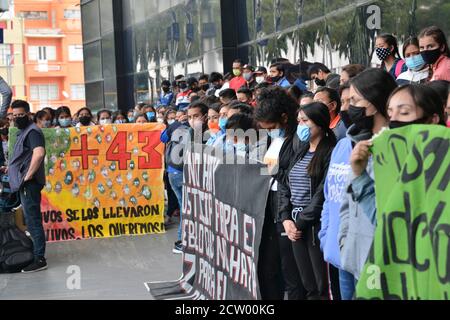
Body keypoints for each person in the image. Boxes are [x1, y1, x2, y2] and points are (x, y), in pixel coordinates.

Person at [338, 68, 397, 291]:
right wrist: (345, 241)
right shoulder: (357, 142)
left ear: (373, 103)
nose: (349, 107)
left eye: (354, 100)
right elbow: (347, 201)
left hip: (382, 266)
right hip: (354, 259)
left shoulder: (396, 148)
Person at [278, 102, 337, 300]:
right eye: (299, 121)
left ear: (319, 123)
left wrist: (300, 223)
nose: (301, 125)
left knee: (322, 286)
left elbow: (323, 193)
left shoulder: (330, 152)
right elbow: (285, 184)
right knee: (308, 284)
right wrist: (286, 217)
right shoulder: (300, 150)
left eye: (305, 121)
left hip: (314, 226)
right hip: (294, 223)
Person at [255, 87, 305, 300]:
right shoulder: (274, 139)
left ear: (284, 117)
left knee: (291, 271)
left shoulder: (297, 139)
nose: (269, 131)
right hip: (270, 205)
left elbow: (292, 177)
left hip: (289, 208)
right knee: (268, 267)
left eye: (272, 127)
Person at [318, 82, 354, 300]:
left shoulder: (384, 147)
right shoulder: (342, 146)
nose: (348, 107)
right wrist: (326, 236)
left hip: (368, 258)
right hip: (339, 252)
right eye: (346, 102)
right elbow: (328, 196)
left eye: (355, 101)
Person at [8, 100, 47, 272]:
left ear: (29, 114)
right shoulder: (23, 132)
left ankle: (39, 259)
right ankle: (35, 253)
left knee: (32, 221)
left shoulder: (32, 132)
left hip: (29, 184)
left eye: (21, 115)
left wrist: (28, 176)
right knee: (29, 220)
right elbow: (24, 156)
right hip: (24, 183)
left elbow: (39, 154)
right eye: (14, 115)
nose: (17, 118)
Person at [167, 101, 209, 254]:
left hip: (180, 174)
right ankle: (182, 241)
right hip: (182, 174)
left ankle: (185, 240)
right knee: (187, 208)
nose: (192, 119)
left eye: (196, 116)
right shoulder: (191, 132)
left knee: (188, 208)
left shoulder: (197, 131)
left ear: (204, 116)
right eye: (190, 117)